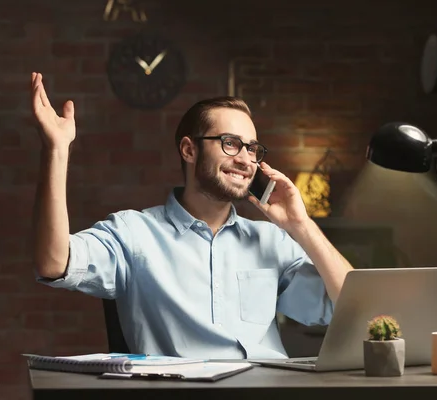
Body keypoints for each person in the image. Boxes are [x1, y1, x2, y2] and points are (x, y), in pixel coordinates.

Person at [30, 72, 354, 359]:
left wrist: (302, 225)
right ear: (189, 150)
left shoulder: (270, 241)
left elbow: (352, 309)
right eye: (230, 144)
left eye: (252, 148)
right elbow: (54, 262)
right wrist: (57, 150)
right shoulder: (133, 233)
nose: (245, 159)